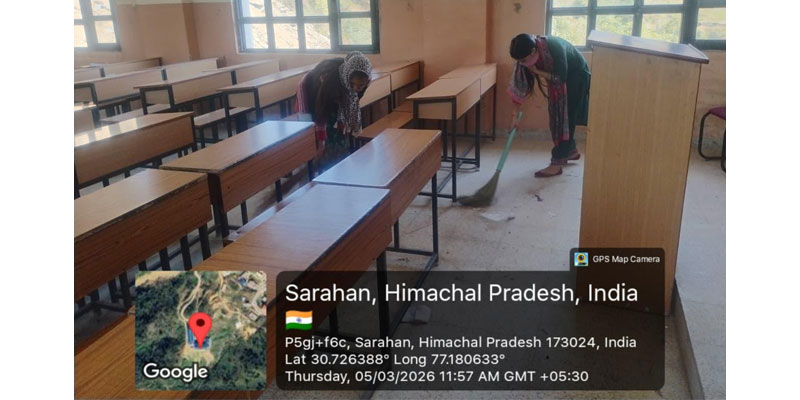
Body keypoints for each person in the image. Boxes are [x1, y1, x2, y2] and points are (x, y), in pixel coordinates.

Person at [508, 33, 590, 177]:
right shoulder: (524, 58)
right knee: (557, 117)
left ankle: (556, 164)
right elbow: (519, 86)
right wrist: (514, 116)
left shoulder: (554, 47)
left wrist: (537, 71)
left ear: (533, 51)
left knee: (565, 118)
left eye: (523, 60)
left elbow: (560, 77)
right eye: (519, 61)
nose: (522, 63)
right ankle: (570, 150)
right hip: (560, 80)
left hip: (576, 76)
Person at [295, 51, 372, 171]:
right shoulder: (330, 82)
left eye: (360, 86)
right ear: (347, 77)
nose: (356, 88)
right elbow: (321, 112)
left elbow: (352, 102)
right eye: (352, 84)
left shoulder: (365, 79)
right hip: (310, 91)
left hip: (331, 98)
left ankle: (340, 165)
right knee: (315, 137)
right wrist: (320, 141)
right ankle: (318, 167)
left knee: (341, 135)